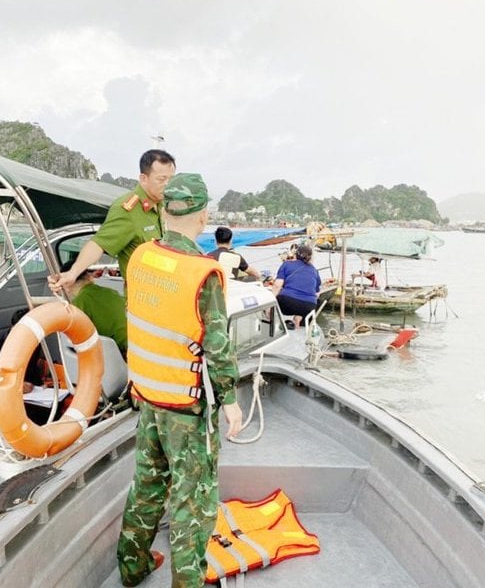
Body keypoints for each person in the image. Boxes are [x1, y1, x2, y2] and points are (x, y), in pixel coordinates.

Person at [117, 172, 243, 588]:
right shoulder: (203, 273)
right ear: (204, 215)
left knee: (147, 486)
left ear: (165, 211)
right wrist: (230, 400)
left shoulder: (140, 258)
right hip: (187, 411)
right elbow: (218, 348)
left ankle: (132, 568)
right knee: (193, 502)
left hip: (148, 397)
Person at [48, 149, 176, 297]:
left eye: (171, 180)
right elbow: (99, 243)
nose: (168, 185)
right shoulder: (128, 210)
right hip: (143, 300)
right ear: (143, 178)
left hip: (163, 295)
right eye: (161, 179)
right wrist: (73, 273)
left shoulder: (160, 205)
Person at [59, 260, 128, 356]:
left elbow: (72, 337)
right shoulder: (112, 292)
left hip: (115, 353)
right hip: (132, 345)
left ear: (67, 282)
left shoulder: (80, 302)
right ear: (88, 276)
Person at [272, 244, 321, 329]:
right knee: (303, 306)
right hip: (309, 306)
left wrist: (270, 304)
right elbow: (317, 293)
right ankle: (298, 320)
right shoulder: (314, 270)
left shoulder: (287, 264)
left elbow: (277, 286)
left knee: (272, 308)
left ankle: (272, 325)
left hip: (287, 302)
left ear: (296, 254)